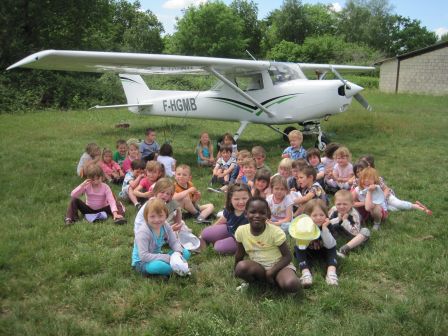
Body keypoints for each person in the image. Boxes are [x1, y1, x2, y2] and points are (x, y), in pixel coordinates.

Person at [234, 197, 300, 293]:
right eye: (253, 212)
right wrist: (235, 270)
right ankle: (258, 283)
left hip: (280, 267)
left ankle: (282, 280)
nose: (257, 215)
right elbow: (239, 254)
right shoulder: (241, 231)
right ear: (246, 214)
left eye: (262, 213)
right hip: (259, 268)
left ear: (268, 215)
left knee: (291, 284)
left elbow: (287, 257)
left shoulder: (275, 232)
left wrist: (271, 272)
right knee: (241, 267)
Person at [131, 198, 190, 277]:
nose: (157, 220)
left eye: (160, 216)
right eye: (152, 216)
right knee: (158, 266)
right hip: (142, 263)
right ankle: (178, 270)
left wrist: (178, 253)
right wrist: (165, 257)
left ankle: (175, 269)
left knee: (185, 252)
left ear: (166, 215)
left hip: (157, 256)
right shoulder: (143, 232)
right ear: (146, 217)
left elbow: (174, 242)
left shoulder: (165, 225)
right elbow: (143, 255)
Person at [354, 156, 432, 215]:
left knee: (398, 204)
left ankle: (416, 206)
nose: (360, 173)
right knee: (395, 210)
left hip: (386, 197)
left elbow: (386, 189)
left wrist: (382, 198)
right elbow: (354, 198)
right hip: (376, 204)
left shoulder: (375, 179)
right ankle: (408, 207)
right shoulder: (356, 183)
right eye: (357, 172)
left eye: (362, 170)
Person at [290, 200, 338, 286]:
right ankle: (306, 273)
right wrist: (306, 231)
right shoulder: (304, 226)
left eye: (321, 215)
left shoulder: (328, 225)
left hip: (324, 251)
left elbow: (330, 245)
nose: (318, 218)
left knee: (332, 249)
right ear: (308, 216)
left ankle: (331, 272)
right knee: (298, 250)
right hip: (309, 252)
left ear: (326, 215)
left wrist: (324, 229)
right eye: (314, 215)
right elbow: (301, 247)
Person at [201, 184, 251, 254]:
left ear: (250, 197)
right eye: (236, 199)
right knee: (205, 233)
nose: (241, 202)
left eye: (244, 198)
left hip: (241, 240)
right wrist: (212, 228)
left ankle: (227, 243)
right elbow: (222, 220)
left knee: (218, 247)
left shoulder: (252, 213)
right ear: (230, 199)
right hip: (230, 230)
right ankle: (222, 239)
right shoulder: (230, 209)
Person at [328, 190, 370, 258]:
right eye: (338, 204)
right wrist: (338, 219)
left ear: (352, 204)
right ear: (334, 203)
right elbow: (327, 223)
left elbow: (355, 232)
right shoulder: (333, 209)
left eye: (345, 204)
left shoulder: (354, 214)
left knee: (365, 231)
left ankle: (344, 249)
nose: (341, 206)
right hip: (336, 232)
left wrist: (345, 221)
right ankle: (329, 248)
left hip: (351, 234)